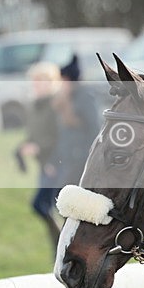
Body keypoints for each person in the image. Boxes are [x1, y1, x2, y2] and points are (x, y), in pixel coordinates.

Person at [16, 62, 61, 249]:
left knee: (46, 205)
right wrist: (21, 149)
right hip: (44, 166)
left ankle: (63, 246)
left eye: (40, 80)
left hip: (57, 165)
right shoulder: (34, 107)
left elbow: (61, 137)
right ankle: (59, 247)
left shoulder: (57, 105)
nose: (36, 84)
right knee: (43, 206)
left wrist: (43, 152)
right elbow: (32, 135)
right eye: (34, 81)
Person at [49, 54, 101, 191]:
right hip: (67, 156)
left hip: (81, 157)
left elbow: (94, 127)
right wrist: (54, 159)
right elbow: (61, 134)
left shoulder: (85, 97)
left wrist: (87, 153)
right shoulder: (64, 98)